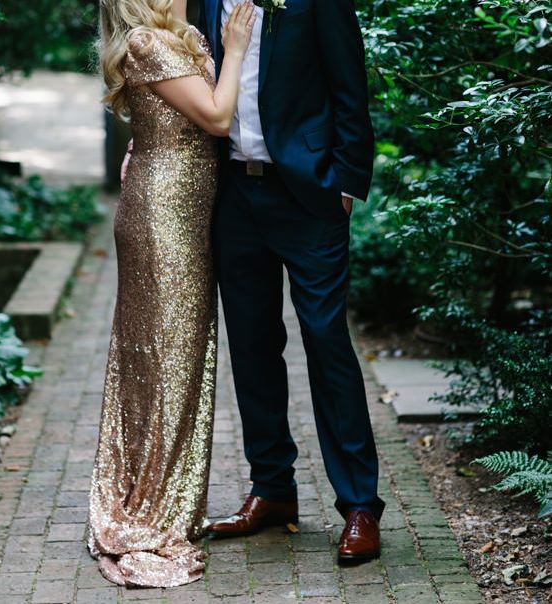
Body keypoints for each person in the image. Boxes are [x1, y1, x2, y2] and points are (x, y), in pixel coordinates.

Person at [197, 0, 386, 564]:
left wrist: (347, 181)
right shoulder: (203, 1)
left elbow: (350, 85)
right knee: (252, 346)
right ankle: (273, 488)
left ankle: (358, 505)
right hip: (233, 192)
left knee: (326, 341)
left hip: (309, 195)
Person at [87, 0, 255, 588]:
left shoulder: (173, 38)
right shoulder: (148, 44)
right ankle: (156, 507)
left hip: (180, 213)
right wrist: (234, 50)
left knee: (173, 360)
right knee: (169, 363)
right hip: (164, 220)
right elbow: (216, 118)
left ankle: (161, 493)